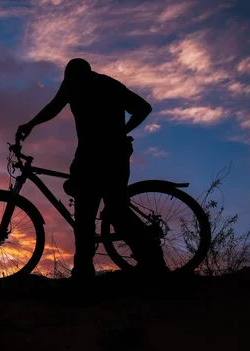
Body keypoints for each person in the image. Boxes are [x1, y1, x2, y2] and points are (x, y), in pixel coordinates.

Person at [16, 58, 167, 278]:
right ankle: (146, 262)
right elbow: (142, 108)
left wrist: (120, 133)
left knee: (93, 213)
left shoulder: (86, 85)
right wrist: (122, 131)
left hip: (101, 155)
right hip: (101, 154)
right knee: (109, 210)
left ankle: (88, 272)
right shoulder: (105, 84)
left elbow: (53, 107)